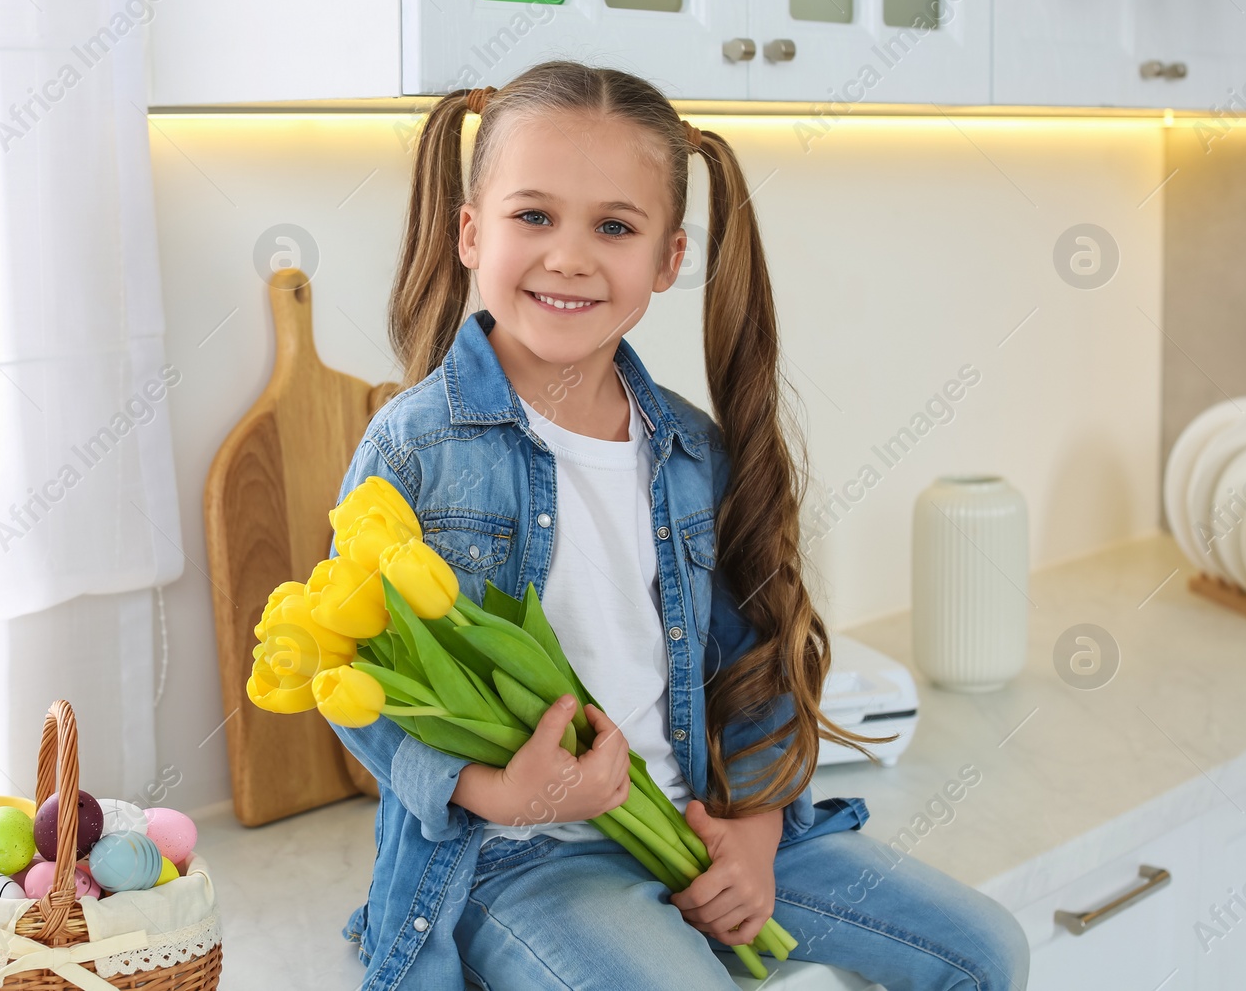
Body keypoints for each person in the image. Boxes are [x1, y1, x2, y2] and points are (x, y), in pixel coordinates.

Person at [325, 60, 1029, 991]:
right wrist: (500, 791)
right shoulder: (413, 447)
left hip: (694, 825)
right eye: (533, 216)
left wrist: (756, 833)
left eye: (613, 226)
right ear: (470, 232)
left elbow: (755, 665)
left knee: (984, 954)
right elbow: (355, 684)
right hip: (521, 860)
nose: (569, 256)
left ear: (668, 258)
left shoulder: (692, 452)